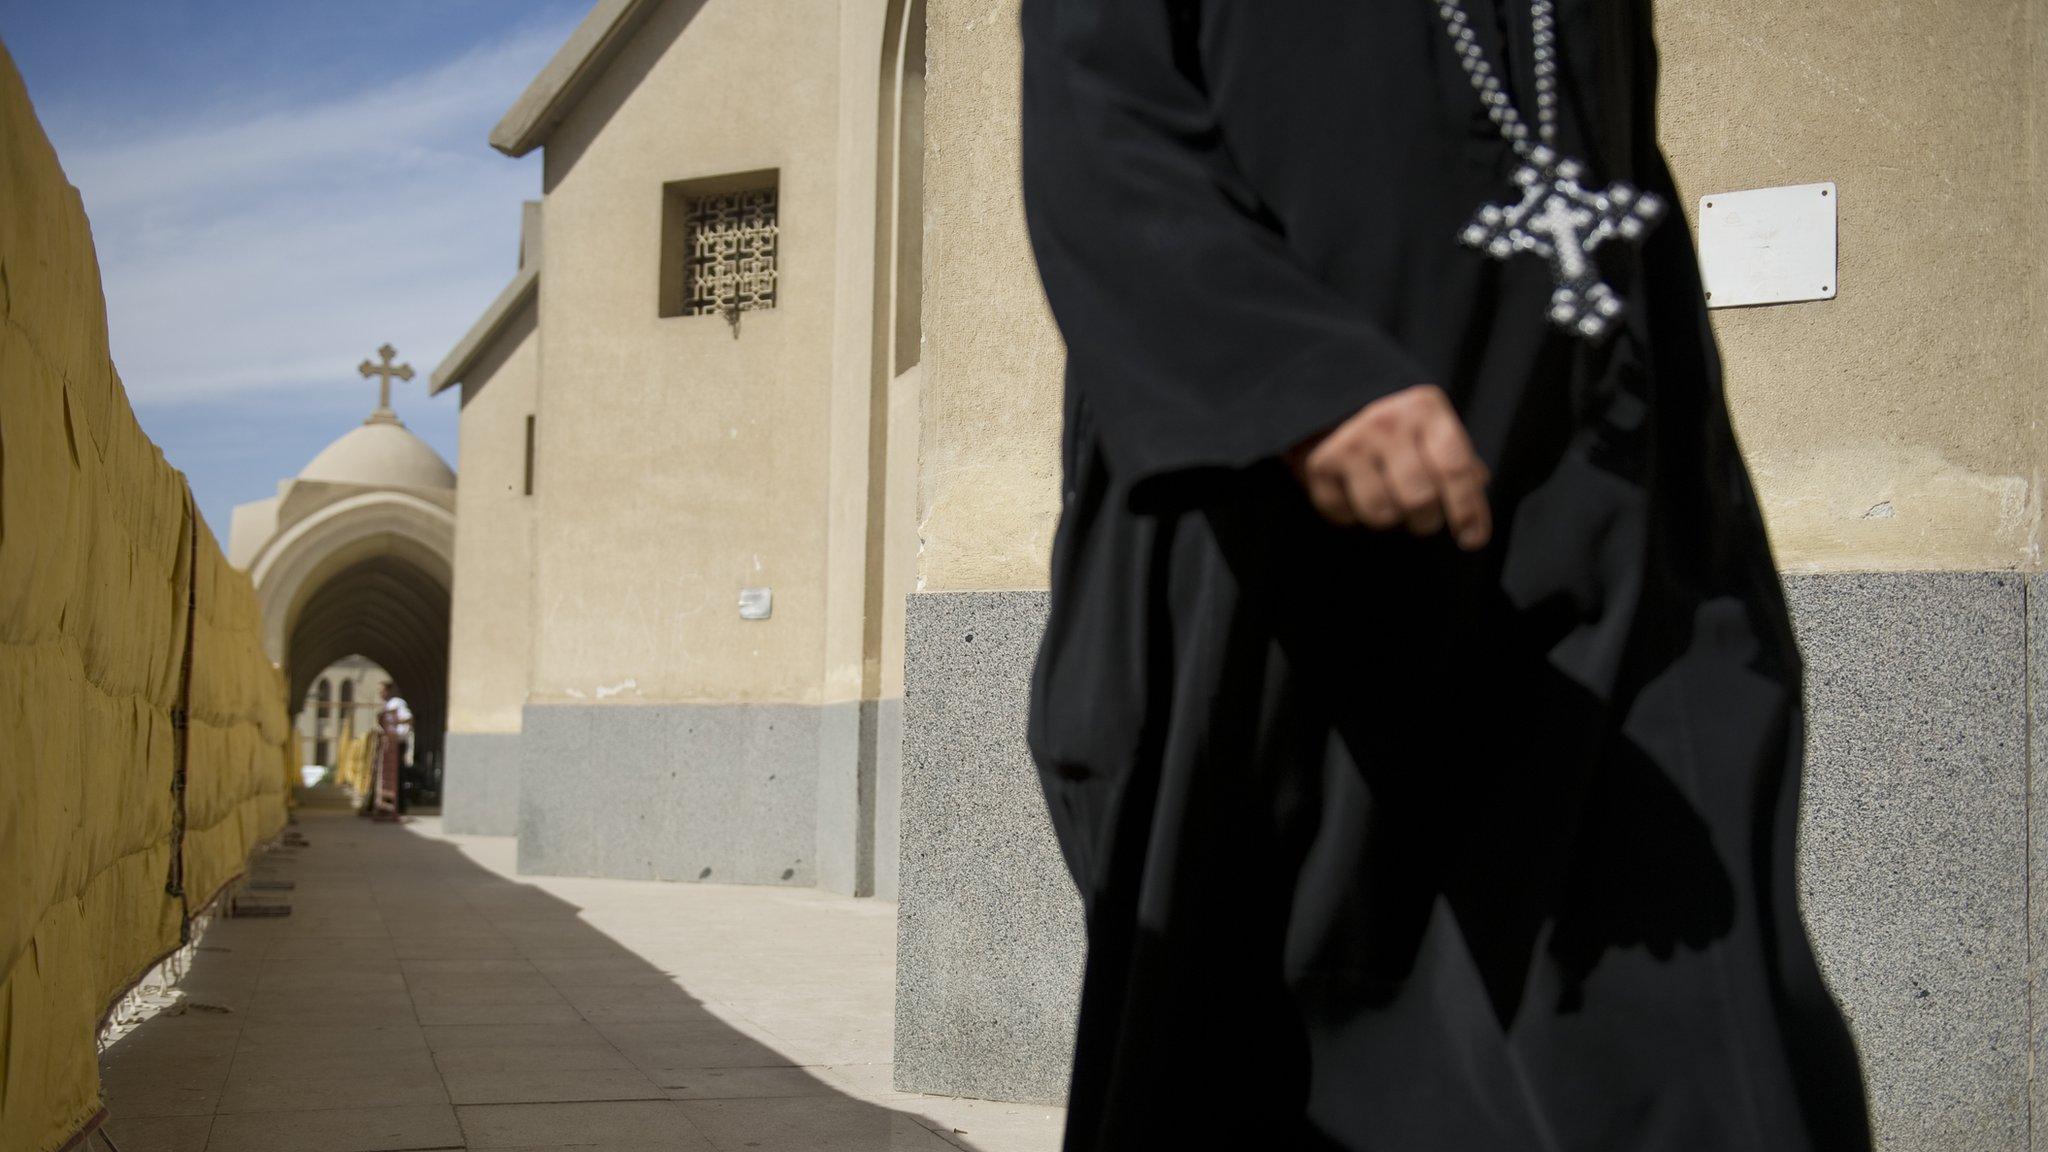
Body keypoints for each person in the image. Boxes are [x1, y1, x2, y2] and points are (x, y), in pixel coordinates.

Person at [1017, 1, 1871, 1149]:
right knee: (1267, 1061)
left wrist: (1696, 530)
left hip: (1589, 546)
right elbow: (1095, 117)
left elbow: (1608, 171)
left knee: (1707, 1056)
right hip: (1277, 551)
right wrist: (1288, 377)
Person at [375, 682, 411, 818]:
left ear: (389, 691)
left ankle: (400, 805)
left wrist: (393, 725)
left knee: (397, 774)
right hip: (390, 744)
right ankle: (389, 804)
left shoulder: (397, 704)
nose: (380, 693)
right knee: (388, 777)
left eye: (382, 690)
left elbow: (408, 719)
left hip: (398, 743)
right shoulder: (388, 705)